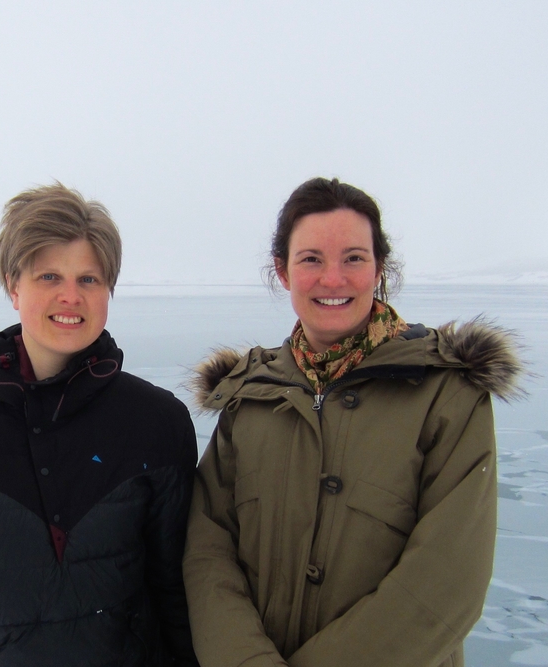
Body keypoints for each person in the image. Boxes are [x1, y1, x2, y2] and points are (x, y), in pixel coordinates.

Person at [183, 177, 525, 667]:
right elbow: (207, 549)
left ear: (379, 267)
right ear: (282, 271)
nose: (333, 279)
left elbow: (448, 579)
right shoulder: (248, 397)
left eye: (354, 258)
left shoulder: (446, 394)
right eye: (311, 259)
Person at [0, 183, 199, 666]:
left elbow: (176, 593)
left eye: (89, 280)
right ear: (14, 286)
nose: (70, 296)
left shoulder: (158, 424)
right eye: (49, 276)